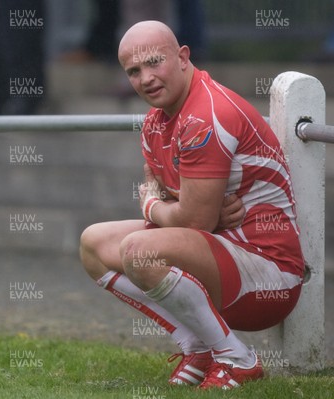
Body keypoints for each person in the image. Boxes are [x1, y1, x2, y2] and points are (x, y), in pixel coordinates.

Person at [79, 21, 304, 389]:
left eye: (154, 62)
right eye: (134, 71)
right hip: (221, 250)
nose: (146, 78)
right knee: (93, 244)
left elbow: (191, 220)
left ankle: (236, 358)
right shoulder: (157, 119)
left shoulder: (206, 115)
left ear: (183, 57)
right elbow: (158, 188)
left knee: (140, 251)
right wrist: (177, 207)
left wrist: (155, 205)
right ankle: (197, 346)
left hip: (269, 276)